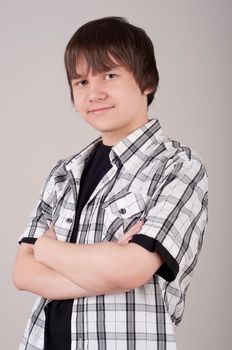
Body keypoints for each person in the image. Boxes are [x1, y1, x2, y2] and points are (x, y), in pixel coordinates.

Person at [13, 16, 208, 350]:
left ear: (147, 81)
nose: (94, 93)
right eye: (81, 82)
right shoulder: (63, 174)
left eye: (110, 75)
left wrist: (47, 249)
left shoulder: (178, 167)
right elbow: (23, 273)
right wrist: (102, 266)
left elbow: (130, 270)